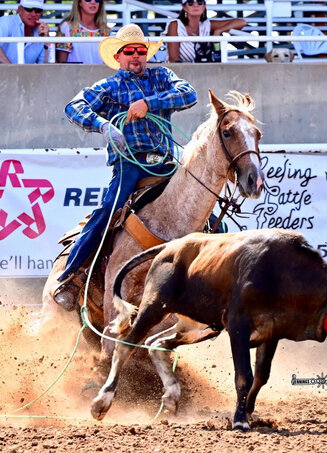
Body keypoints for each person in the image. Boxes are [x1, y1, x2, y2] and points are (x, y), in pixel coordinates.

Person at [53, 24, 197, 310]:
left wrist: (149, 102)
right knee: (109, 210)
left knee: (204, 209)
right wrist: (103, 125)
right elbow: (74, 107)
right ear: (118, 57)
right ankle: (72, 277)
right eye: (129, 51)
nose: (136, 56)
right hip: (130, 163)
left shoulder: (162, 76)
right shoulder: (109, 87)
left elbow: (188, 93)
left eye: (141, 51)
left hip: (166, 163)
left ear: (147, 55)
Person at [165, 0, 246, 63]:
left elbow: (242, 22)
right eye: (190, 2)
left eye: (200, 2)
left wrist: (219, 30)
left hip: (202, 70)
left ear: (204, 6)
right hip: (177, 73)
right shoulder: (175, 25)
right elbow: (174, 60)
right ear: (184, 7)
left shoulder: (207, 25)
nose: (195, 5)